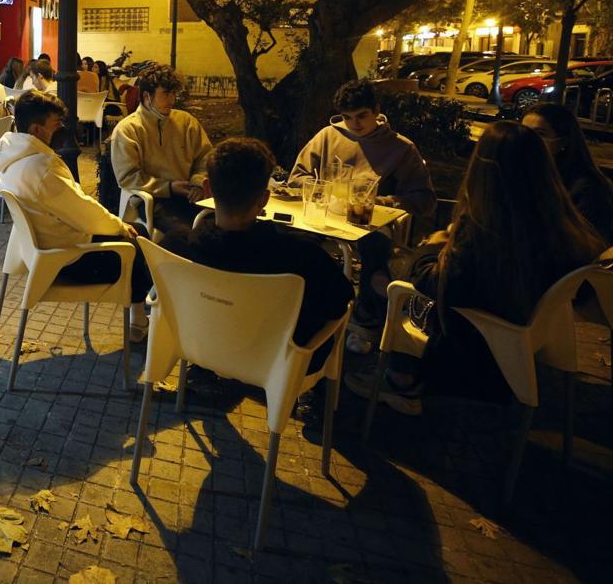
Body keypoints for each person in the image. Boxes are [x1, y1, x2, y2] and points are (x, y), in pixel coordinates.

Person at [347, 121, 606, 414]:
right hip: (519, 317)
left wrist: (434, 246)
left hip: (472, 327)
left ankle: (400, 377)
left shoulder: (490, 226)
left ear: (484, 166)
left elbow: (443, 284)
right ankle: (368, 320)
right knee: (388, 265)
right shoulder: (553, 215)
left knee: (385, 272)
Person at [161, 138, 353, 371]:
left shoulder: (175, 248)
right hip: (275, 364)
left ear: (208, 189)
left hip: (200, 347)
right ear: (264, 198)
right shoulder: (303, 257)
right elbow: (339, 302)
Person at [0, 91, 150, 337]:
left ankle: (138, 317)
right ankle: (140, 320)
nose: (63, 131)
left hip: (39, 252)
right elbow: (85, 213)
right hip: (67, 260)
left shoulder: (12, 158)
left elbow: (77, 207)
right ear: (36, 130)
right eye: (57, 125)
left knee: (134, 232)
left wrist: (116, 225)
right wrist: (119, 227)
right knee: (139, 240)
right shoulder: (42, 168)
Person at [288, 79, 436, 334]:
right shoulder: (328, 136)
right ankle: (307, 307)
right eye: (347, 117)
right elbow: (297, 177)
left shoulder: (400, 148)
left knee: (376, 247)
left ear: (376, 111)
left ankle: (367, 318)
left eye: (361, 116)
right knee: (290, 238)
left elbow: (425, 199)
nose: (355, 124)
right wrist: (323, 189)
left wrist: (386, 202)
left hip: (370, 221)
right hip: (326, 215)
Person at [110, 65, 214, 235]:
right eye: (166, 94)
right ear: (146, 96)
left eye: (173, 93)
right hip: (153, 199)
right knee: (186, 234)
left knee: (222, 227)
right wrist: (169, 187)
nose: (172, 100)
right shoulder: (128, 129)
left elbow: (206, 158)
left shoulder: (186, 122)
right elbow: (128, 177)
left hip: (189, 195)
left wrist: (198, 183)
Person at [522, 103, 613, 243]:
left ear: (563, 141)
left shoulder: (587, 187)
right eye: (524, 132)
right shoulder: (524, 173)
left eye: (540, 134)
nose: (528, 140)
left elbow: (585, 242)